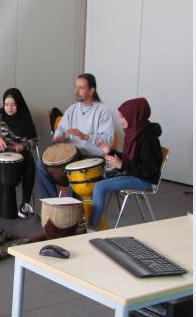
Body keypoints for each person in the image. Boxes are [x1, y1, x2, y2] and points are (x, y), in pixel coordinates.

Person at [88, 97, 163, 230]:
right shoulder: (134, 132)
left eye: (123, 117)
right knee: (102, 176)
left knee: (99, 187)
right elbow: (130, 159)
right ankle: (96, 220)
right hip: (135, 174)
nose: (120, 120)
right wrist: (110, 152)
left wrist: (122, 165)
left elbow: (149, 169)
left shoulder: (147, 138)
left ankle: (91, 229)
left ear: (134, 116)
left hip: (145, 180)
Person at [37, 73, 114, 198]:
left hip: (90, 157)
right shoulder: (72, 109)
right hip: (70, 155)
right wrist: (59, 136)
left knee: (75, 167)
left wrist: (85, 136)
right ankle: (51, 206)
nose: (76, 91)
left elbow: (108, 140)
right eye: (76, 87)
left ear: (91, 91)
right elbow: (61, 128)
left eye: (81, 87)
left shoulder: (103, 111)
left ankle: (73, 210)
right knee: (41, 164)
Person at [0, 88, 38, 218]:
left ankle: (25, 203)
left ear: (18, 103)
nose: (9, 108)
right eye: (6, 104)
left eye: (13, 104)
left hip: (21, 153)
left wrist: (22, 146)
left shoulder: (25, 117)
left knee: (30, 167)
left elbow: (34, 141)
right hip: (0, 152)